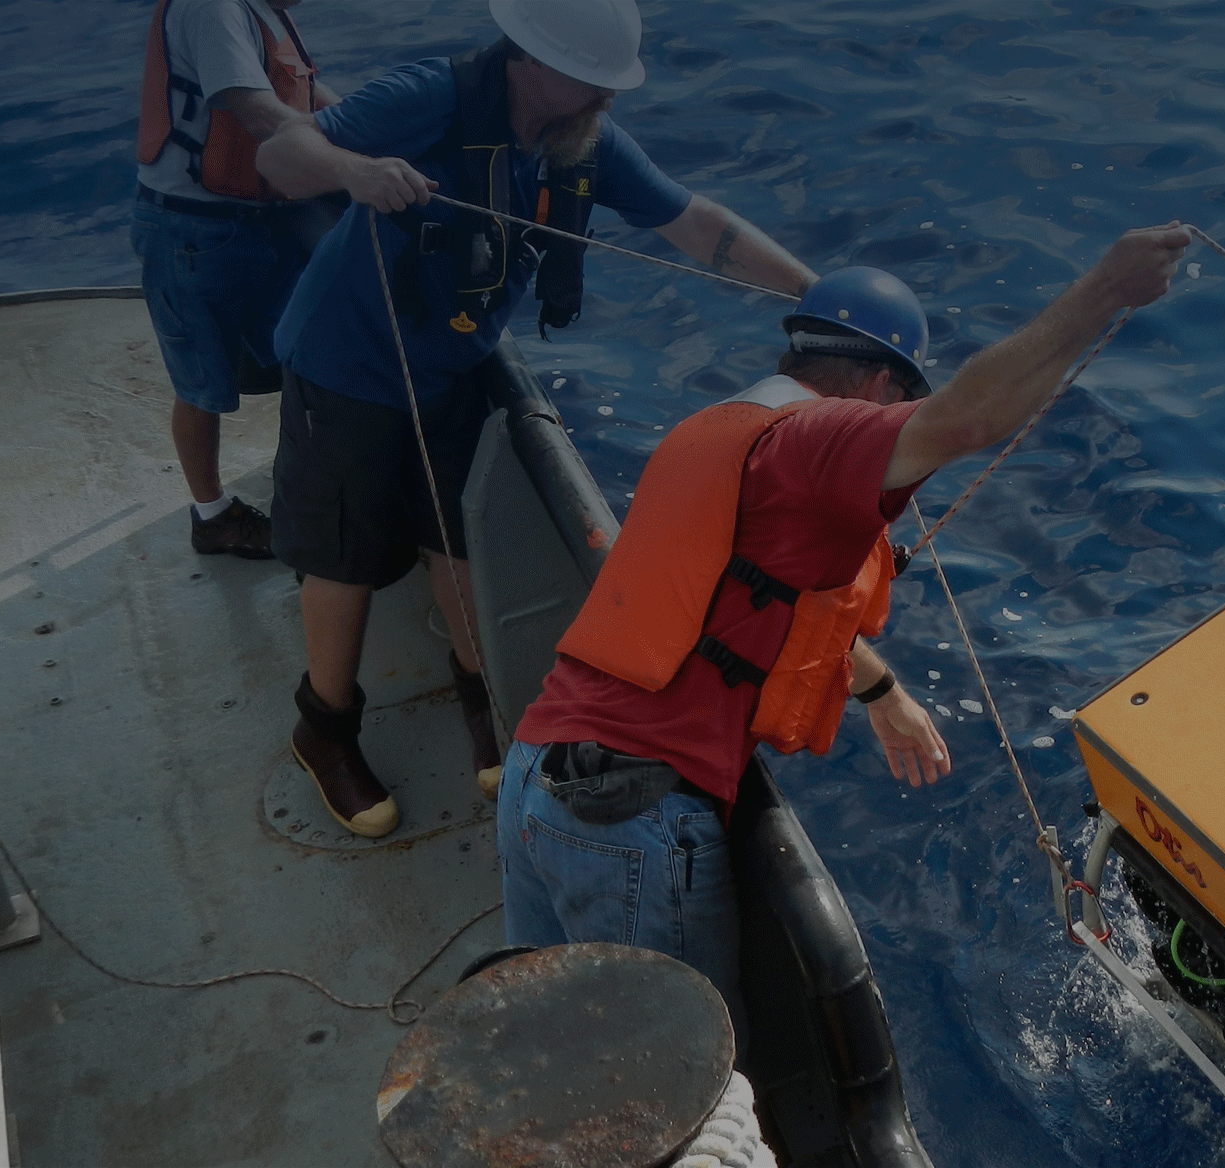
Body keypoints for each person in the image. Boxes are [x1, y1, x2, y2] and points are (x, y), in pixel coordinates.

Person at [498, 228, 1192, 1029]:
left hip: (535, 778)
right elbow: (964, 419)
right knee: (672, 1079)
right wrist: (1106, 287)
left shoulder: (716, 429)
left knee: (548, 1040)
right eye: (900, 402)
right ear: (877, 383)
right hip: (629, 818)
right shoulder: (819, 439)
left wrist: (881, 690)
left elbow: (750, 599)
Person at [250, 0, 817, 839]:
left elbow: (698, 224)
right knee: (344, 557)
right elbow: (279, 156)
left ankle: (480, 691)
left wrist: (816, 297)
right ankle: (324, 725)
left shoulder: (579, 142)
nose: (607, 101)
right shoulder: (429, 96)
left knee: (456, 537)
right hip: (346, 364)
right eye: (595, 82)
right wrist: (354, 171)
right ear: (534, 63)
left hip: (454, 366)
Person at [133, 0, 343, 558]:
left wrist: (367, 134)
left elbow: (301, 95)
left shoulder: (263, 9)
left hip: (256, 216)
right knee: (201, 382)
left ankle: (315, 484)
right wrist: (345, 167)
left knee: (306, 347)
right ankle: (213, 517)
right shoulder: (213, 6)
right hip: (191, 228)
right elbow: (246, 103)